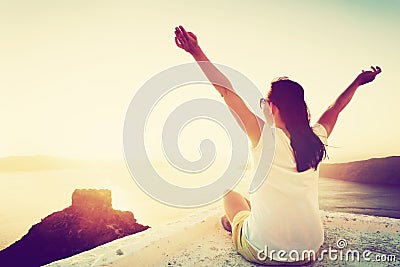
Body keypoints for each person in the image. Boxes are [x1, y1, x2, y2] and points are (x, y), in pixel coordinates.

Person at [174, 25, 381, 265]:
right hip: (309, 251)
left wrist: (196, 51)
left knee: (230, 195)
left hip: (265, 252)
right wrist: (357, 81)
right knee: (251, 205)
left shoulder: (263, 136)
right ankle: (241, 220)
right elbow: (335, 108)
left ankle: (233, 224)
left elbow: (227, 93)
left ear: (271, 107)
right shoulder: (316, 138)